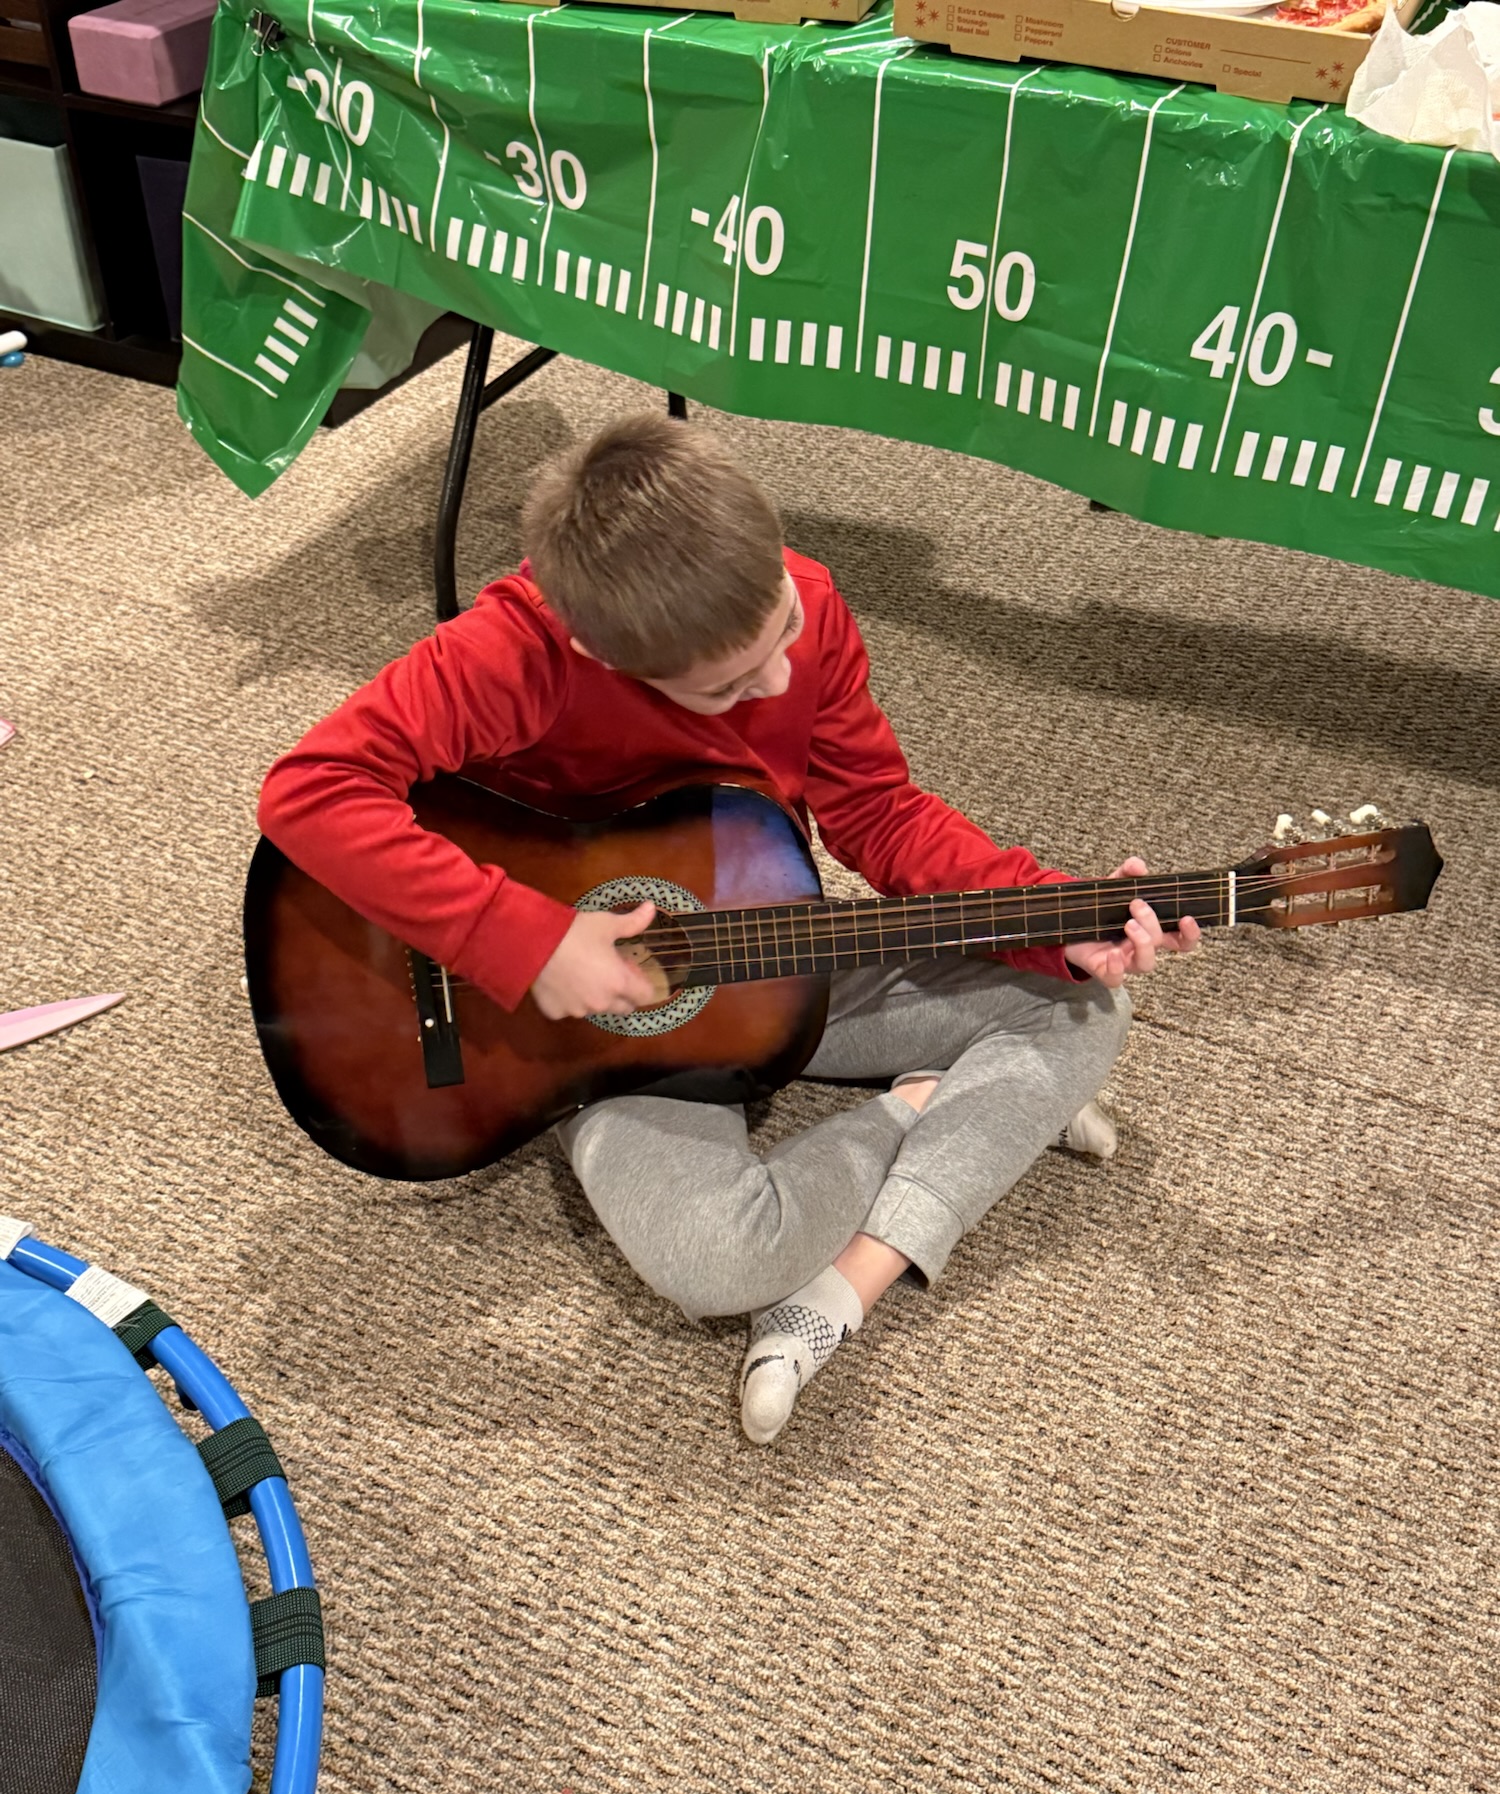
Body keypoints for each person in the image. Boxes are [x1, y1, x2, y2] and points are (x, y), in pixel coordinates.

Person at [258, 413, 1198, 1445]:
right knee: (719, 1261)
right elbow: (310, 790)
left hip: (765, 940)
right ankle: (930, 1107)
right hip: (576, 1026)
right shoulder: (512, 652)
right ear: (597, 649)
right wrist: (523, 940)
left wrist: (1051, 913)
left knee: (1084, 1002)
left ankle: (846, 1285)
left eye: (782, 631)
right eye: (731, 687)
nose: (780, 682)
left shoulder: (812, 602)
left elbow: (878, 811)